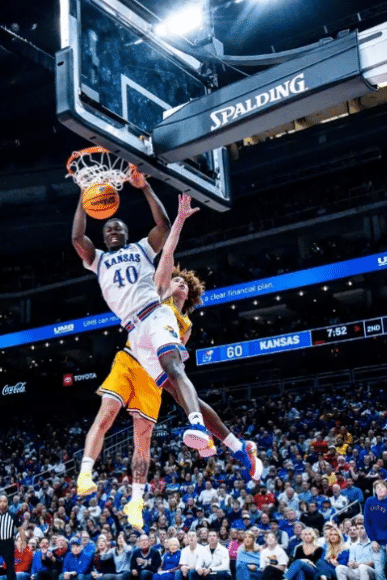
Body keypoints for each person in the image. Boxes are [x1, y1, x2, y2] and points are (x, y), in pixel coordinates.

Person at [74, 191, 263, 529]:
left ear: (187, 296)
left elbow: (178, 357)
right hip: (137, 337)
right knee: (172, 388)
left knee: (176, 377)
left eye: (183, 286)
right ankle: (235, 445)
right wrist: (179, 218)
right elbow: (169, 246)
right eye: (177, 280)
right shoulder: (159, 284)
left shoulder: (184, 322)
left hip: (158, 332)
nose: (178, 284)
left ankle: (199, 428)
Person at [0, 496, 22, 580]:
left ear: (7, 504)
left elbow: (20, 529)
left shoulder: (13, 515)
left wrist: (23, 540)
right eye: (0, 501)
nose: (2, 504)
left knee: (10, 567)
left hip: (8, 541)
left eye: (4, 501)